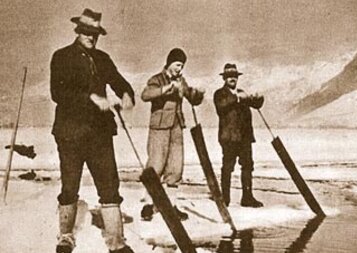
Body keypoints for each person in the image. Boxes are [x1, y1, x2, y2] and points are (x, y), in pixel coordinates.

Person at [50, 8, 135, 253]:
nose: (91, 37)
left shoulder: (103, 59)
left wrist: (127, 95)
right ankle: (65, 237)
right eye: (87, 32)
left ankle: (116, 243)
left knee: (109, 186)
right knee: (69, 186)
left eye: (95, 33)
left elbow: (119, 82)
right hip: (70, 133)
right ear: (78, 31)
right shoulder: (61, 57)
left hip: (100, 134)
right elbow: (58, 93)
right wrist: (91, 99)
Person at [140, 48, 204, 221]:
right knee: (155, 166)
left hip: (176, 128)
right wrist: (167, 88)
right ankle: (148, 204)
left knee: (176, 168)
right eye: (177, 64)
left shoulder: (181, 81)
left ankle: (172, 205)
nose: (179, 69)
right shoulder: (156, 79)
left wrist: (198, 95)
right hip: (159, 128)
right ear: (169, 63)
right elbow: (145, 95)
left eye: (182, 66)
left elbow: (191, 97)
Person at [213, 63, 264, 208]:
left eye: (234, 76)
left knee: (247, 166)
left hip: (245, 137)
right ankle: (225, 199)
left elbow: (256, 105)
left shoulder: (242, 92)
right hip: (229, 138)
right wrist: (238, 98)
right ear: (224, 78)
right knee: (228, 167)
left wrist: (258, 98)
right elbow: (221, 107)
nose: (232, 79)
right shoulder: (220, 94)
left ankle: (247, 198)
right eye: (229, 76)